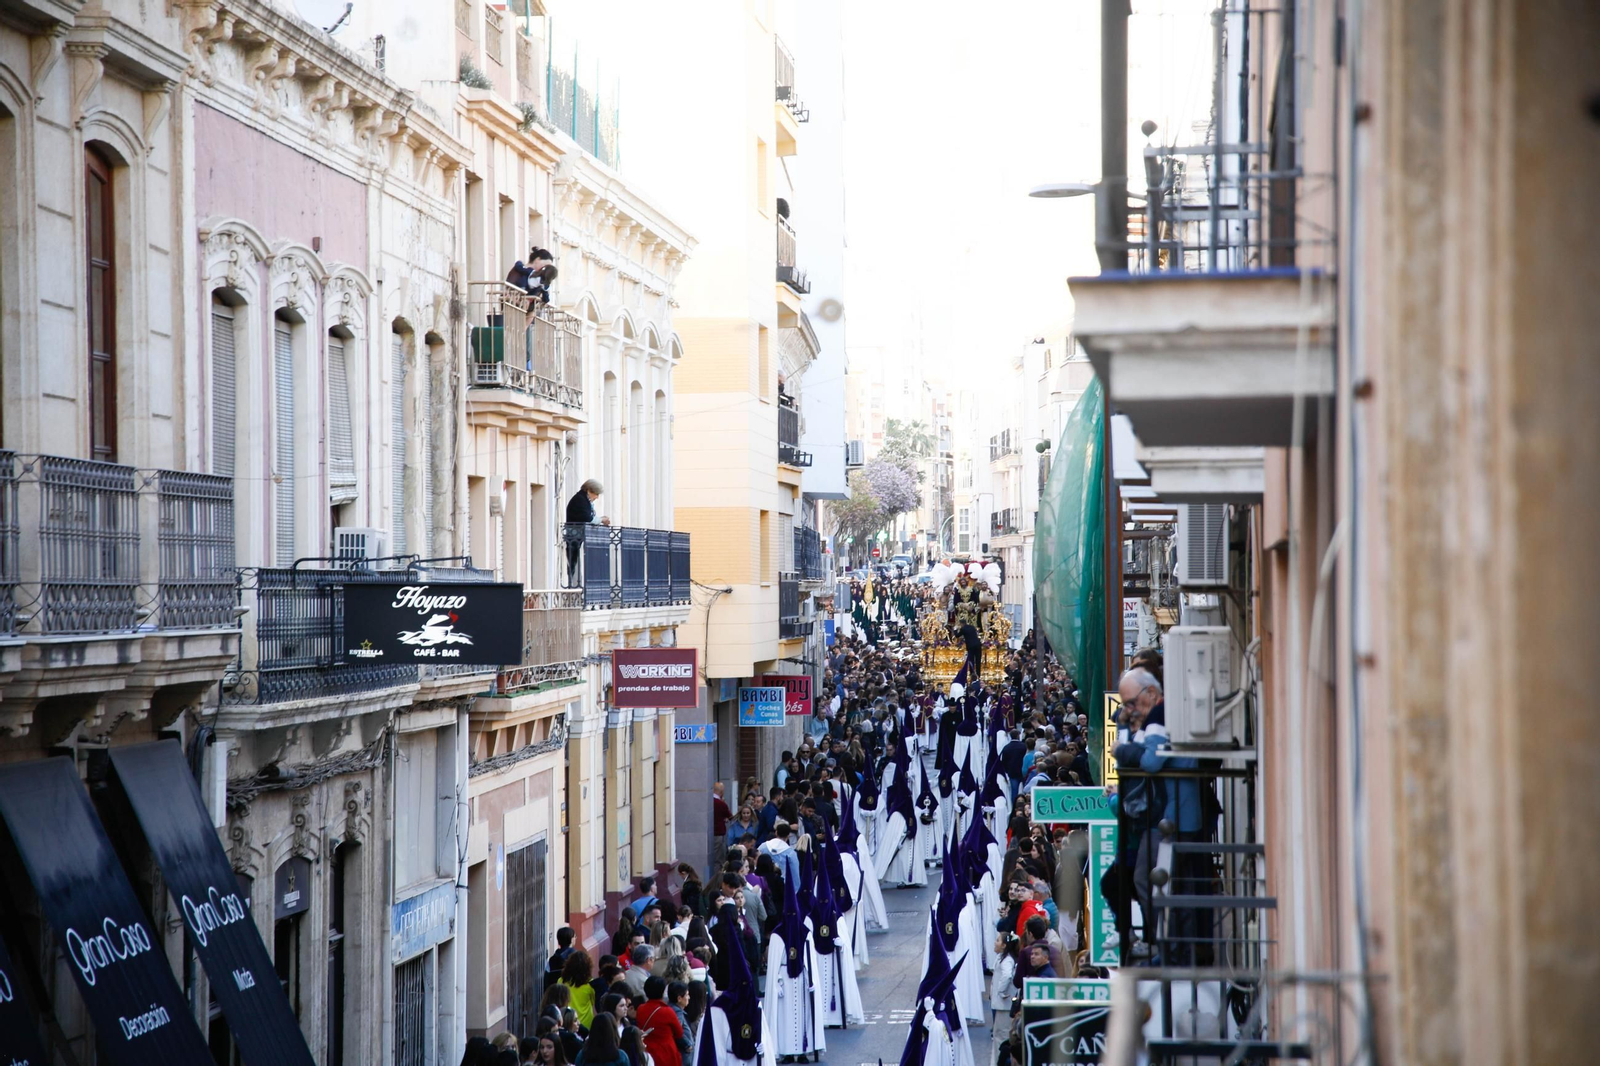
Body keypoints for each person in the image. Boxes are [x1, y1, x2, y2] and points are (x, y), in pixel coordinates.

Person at [637, 975, 689, 1066]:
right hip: (666, 1052)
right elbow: (679, 1033)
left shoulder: (640, 1009)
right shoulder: (667, 1011)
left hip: (647, 1051)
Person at [565, 479, 609, 582]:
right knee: (572, 563)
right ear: (589, 490)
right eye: (596, 494)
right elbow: (588, 518)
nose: (597, 497)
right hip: (574, 535)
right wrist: (601, 520)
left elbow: (589, 517)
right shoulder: (580, 499)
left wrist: (600, 519)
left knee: (574, 562)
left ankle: (573, 585)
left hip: (577, 536)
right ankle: (572, 585)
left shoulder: (583, 499)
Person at [561, 951, 598, 1028]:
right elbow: (593, 1002)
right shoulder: (591, 984)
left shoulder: (561, 981)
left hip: (567, 1022)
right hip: (585, 1025)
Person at [711, 783, 733, 877]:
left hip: (711, 833)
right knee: (718, 859)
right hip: (718, 834)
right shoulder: (720, 803)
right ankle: (717, 879)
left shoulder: (709, 801)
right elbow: (730, 816)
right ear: (721, 791)